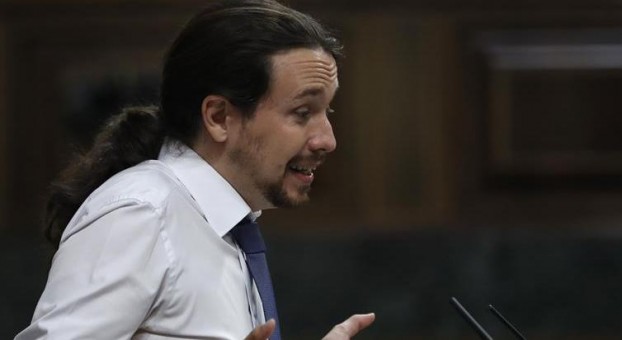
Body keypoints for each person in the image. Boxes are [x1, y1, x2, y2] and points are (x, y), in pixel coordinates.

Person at [15, 1, 375, 339]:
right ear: (218, 117)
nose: (327, 140)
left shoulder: (230, 229)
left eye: (326, 112)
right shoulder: (142, 213)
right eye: (302, 113)